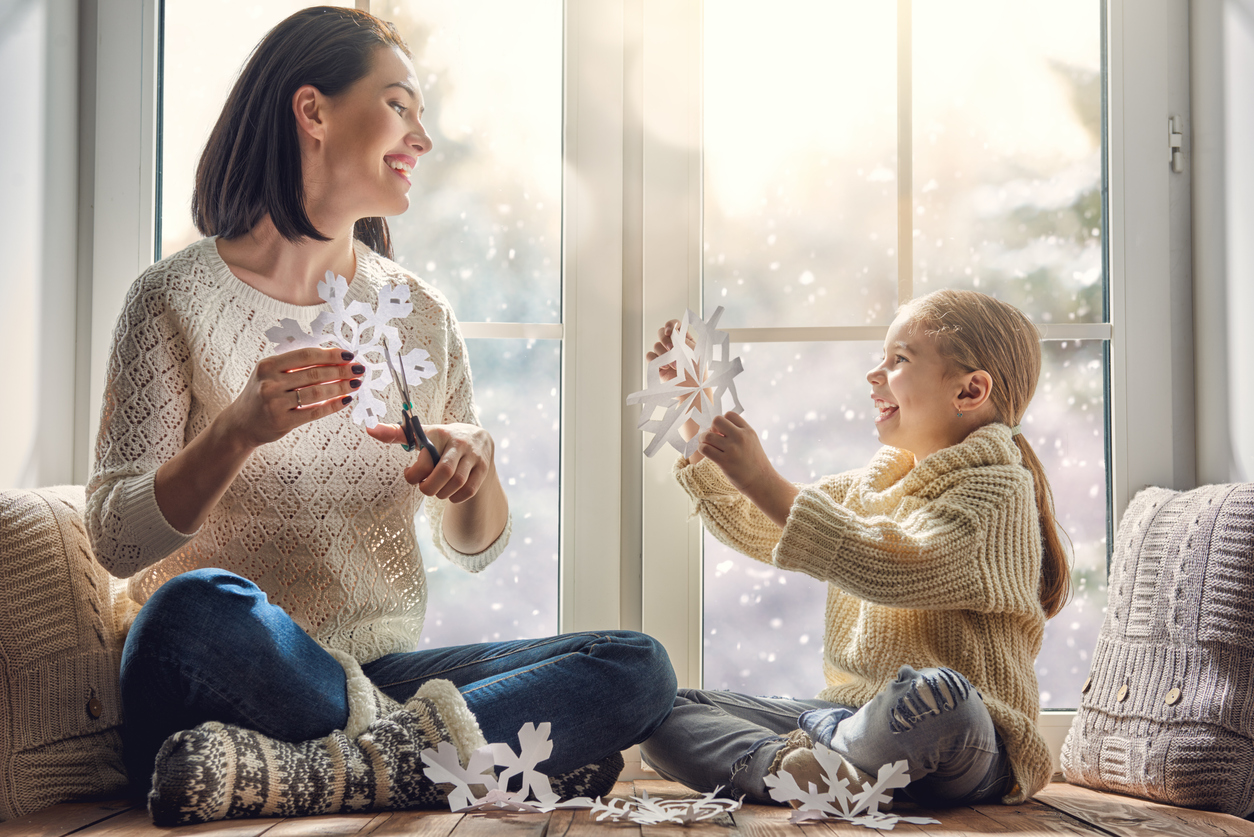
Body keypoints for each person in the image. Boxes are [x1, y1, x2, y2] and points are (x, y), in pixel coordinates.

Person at [86, 7, 675, 826]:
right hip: (219, 677)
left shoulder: (417, 314)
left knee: (635, 664)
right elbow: (115, 539)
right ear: (314, 111)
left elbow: (472, 546)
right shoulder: (171, 298)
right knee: (191, 608)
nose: (422, 138)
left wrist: (476, 471)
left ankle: (317, 773)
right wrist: (237, 430)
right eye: (400, 105)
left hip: (373, 672)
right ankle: (454, 763)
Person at [638, 288, 1068, 809]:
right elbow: (765, 525)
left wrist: (763, 478)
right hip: (852, 719)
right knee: (658, 708)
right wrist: (697, 407)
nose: (874, 374)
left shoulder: (999, 490)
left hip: (968, 742)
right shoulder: (874, 483)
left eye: (898, 360)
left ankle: (825, 757)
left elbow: (896, 561)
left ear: (970, 391)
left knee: (939, 696)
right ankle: (795, 769)